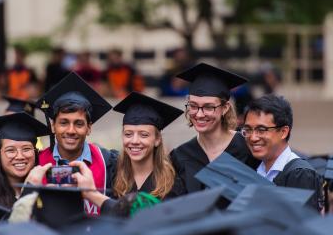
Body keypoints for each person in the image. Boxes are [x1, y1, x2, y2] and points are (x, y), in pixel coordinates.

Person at [70, 91, 184, 214]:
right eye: (128, 134)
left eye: (144, 135)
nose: (134, 141)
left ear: (157, 140)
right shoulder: (112, 173)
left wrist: (92, 195)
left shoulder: (172, 183)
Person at [36, 72, 119, 216]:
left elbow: (123, 213)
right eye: (64, 123)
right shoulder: (37, 163)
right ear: (53, 126)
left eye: (79, 124)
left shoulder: (109, 163)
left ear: (89, 128)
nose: (71, 130)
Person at [170, 63, 260, 193]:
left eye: (208, 107)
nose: (199, 114)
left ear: (225, 108)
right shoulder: (180, 156)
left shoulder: (249, 147)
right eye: (193, 106)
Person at [241, 94, 323, 211]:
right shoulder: (255, 168)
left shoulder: (300, 174)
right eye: (248, 130)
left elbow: (303, 225)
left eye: (261, 130)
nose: (253, 138)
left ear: (283, 132)